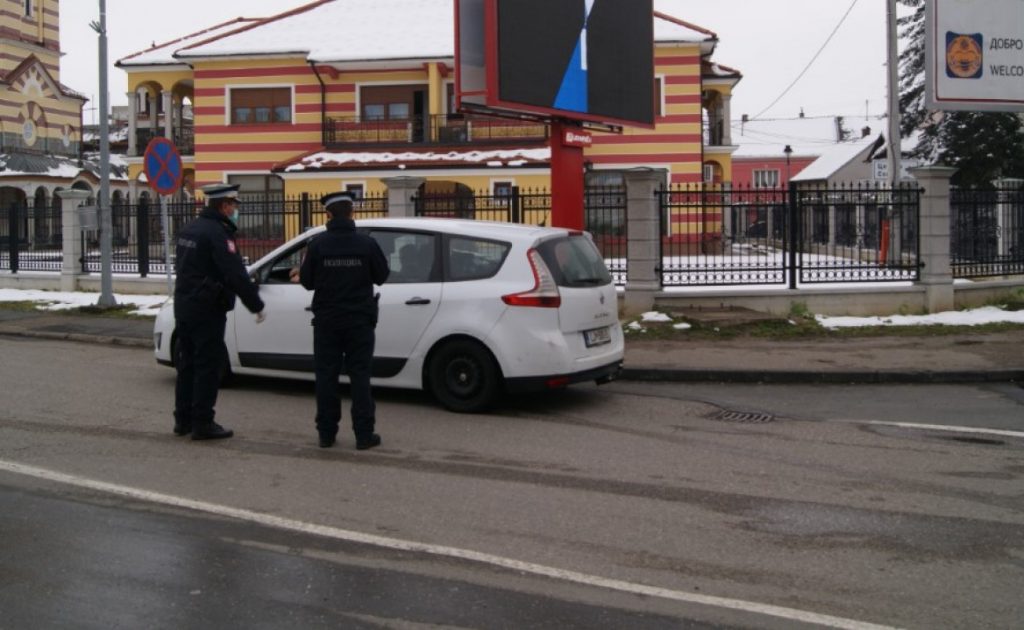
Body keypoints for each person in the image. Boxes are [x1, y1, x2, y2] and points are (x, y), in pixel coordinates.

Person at [173, 183, 266, 441]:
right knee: (207, 366)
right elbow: (235, 273)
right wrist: (256, 305)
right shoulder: (218, 234)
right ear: (224, 205)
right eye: (233, 206)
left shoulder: (189, 229)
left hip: (184, 306)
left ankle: (183, 420)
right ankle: (202, 422)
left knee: (187, 364)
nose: (235, 211)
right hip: (207, 309)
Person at [299, 191, 389, 450]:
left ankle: (326, 434)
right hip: (360, 321)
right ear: (352, 213)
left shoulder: (317, 245)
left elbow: (307, 282)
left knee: (326, 376)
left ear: (328, 214)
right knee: (360, 376)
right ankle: (364, 434)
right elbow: (382, 275)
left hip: (327, 321)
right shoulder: (367, 244)